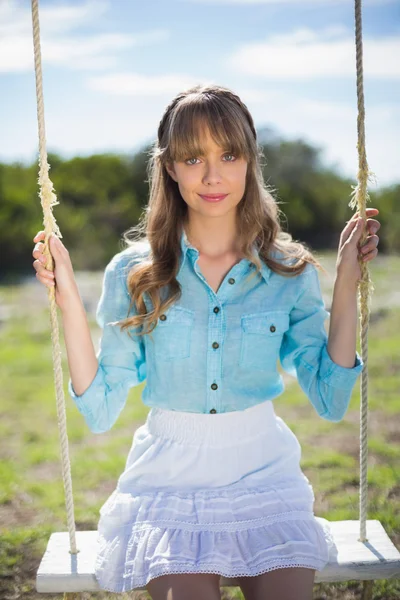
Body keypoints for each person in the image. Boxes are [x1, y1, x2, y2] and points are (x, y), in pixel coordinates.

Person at [32, 84, 381, 600]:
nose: (213, 175)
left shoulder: (288, 272)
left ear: (250, 162)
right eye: (193, 157)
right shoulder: (134, 272)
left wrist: (349, 281)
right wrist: (66, 302)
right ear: (170, 167)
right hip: (169, 481)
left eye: (229, 154)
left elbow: (330, 399)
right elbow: (101, 406)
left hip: (264, 475)